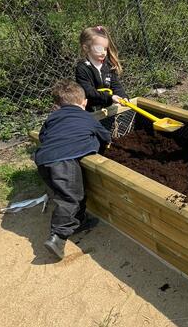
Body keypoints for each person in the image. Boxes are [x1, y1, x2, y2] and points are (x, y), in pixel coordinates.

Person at [34, 80, 111, 259]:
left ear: (56, 105)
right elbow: (105, 135)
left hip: (44, 160)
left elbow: (42, 136)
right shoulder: (87, 118)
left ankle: (78, 222)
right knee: (70, 198)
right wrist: (105, 144)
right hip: (64, 161)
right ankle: (58, 238)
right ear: (84, 102)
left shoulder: (52, 118)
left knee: (75, 193)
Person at [75, 25, 128, 112]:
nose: (103, 52)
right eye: (99, 48)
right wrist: (110, 97)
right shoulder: (82, 68)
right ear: (86, 48)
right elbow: (89, 92)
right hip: (91, 112)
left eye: (105, 49)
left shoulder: (108, 66)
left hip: (108, 110)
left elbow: (116, 85)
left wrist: (122, 96)